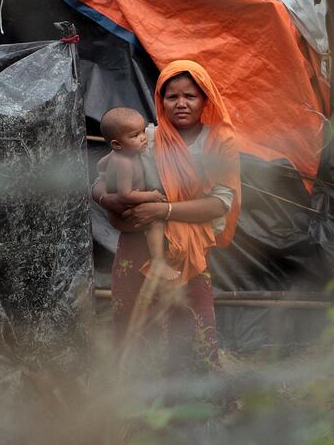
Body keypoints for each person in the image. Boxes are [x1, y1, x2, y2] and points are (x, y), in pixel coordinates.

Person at [92, 60, 241, 371]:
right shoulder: (145, 137)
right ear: (161, 99)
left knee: (196, 330)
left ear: (205, 99)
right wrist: (108, 200)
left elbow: (220, 204)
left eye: (191, 96)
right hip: (137, 246)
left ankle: (200, 407)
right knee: (133, 329)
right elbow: (102, 177)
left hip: (187, 253)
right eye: (172, 97)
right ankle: (134, 412)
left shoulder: (218, 142)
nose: (181, 104)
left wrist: (163, 209)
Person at [98, 107, 180, 282]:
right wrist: (152, 196)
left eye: (143, 131)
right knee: (156, 223)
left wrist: (106, 176)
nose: (143, 137)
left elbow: (99, 165)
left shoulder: (118, 154)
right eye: (135, 136)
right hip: (124, 213)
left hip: (126, 207)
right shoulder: (125, 162)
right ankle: (158, 262)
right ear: (116, 144)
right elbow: (125, 195)